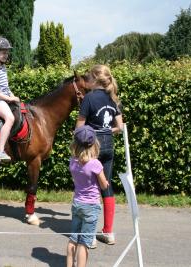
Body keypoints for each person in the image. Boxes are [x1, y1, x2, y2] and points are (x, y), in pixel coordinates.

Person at [76, 64, 123, 246]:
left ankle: (90, 236)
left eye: (89, 77)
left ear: (95, 79)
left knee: (89, 188)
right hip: (108, 146)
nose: (87, 80)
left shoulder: (88, 98)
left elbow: (79, 128)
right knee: (106, 186)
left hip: (92, 146)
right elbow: (119, 127)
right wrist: (106, 130)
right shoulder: (113, 99)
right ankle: (108, 232)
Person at [66, 125, 109, 267]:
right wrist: (105, 182)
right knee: (84, 243)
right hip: (91, 206)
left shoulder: (72, 161)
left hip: (77, 203)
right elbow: (104, 185)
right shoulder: (95, 164)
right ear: (94, 143)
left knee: (73, 238)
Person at [0, 36, 20, 162]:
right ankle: (0, 152)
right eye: (3, 52)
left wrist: (12, 96)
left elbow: (5, 87)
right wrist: (8, 98)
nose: (6, 55)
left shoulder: (3, 67)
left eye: (7, 52)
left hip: (5, 98)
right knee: (10, 118)